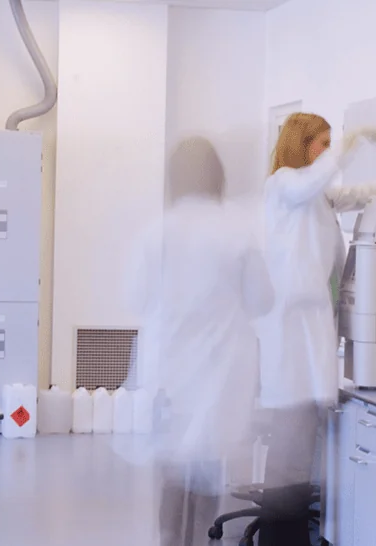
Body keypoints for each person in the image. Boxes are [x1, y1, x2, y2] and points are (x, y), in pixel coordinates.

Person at [124, 139, 277, 546]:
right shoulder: (236, 232)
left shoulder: (155, 233)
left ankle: (169, 540)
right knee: (208, 471)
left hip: (168, 373)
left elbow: (135, 297)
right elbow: (263, 299)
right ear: (218, 177)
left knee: (171, 472)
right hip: (218, 372)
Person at [258, 112, 376, 414]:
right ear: (301, 144)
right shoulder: (282, 185)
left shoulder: (316, 195)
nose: (329, 151)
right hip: (293, 332)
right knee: (291, 444)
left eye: (332, 144)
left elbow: (361, 194)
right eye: (324, 144)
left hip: (315, 319)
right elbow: (310, 183)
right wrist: (348, 145)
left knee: (303, 446)